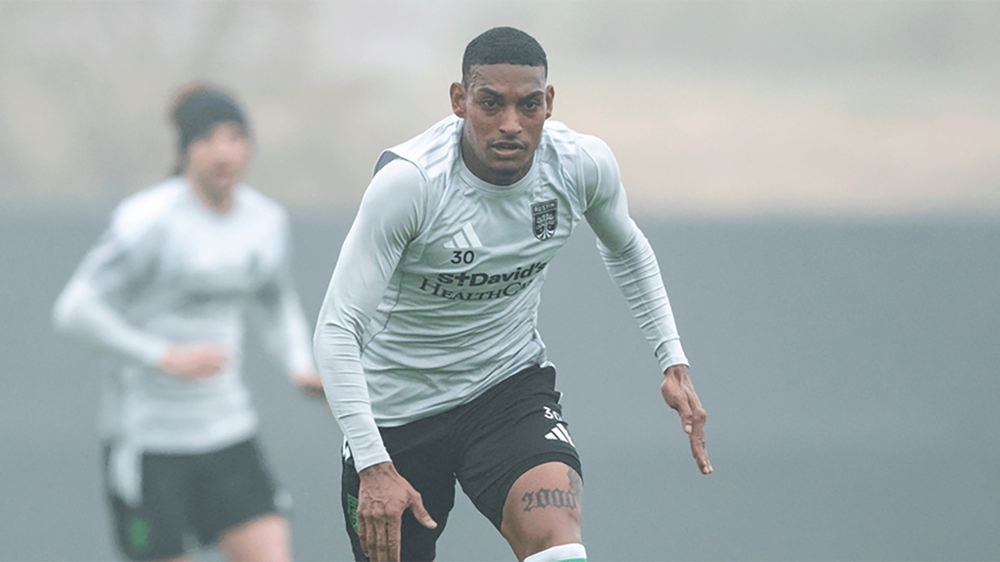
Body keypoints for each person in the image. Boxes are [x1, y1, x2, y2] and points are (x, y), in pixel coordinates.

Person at [314, 27, 712, 562]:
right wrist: (371, 462)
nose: (510, 124)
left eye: (528, 105)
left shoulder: (580, 164)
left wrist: (672, 359)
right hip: (395, 414)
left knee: (557, 540)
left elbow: (627, 248)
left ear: (549, 103)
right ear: (459, 100)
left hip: (504, 390)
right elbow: (337, 330)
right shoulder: (411, 184)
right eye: (490, 103)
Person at [53, 83, 324, 562]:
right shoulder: (147, 221)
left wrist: (300, 365)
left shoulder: (265, 222)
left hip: (228, 432)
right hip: (148, 443)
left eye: (235, 137)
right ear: (184, 150)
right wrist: (164, 357)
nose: (224, 152)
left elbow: (275, 303)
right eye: (208, 139)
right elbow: (75, 310)